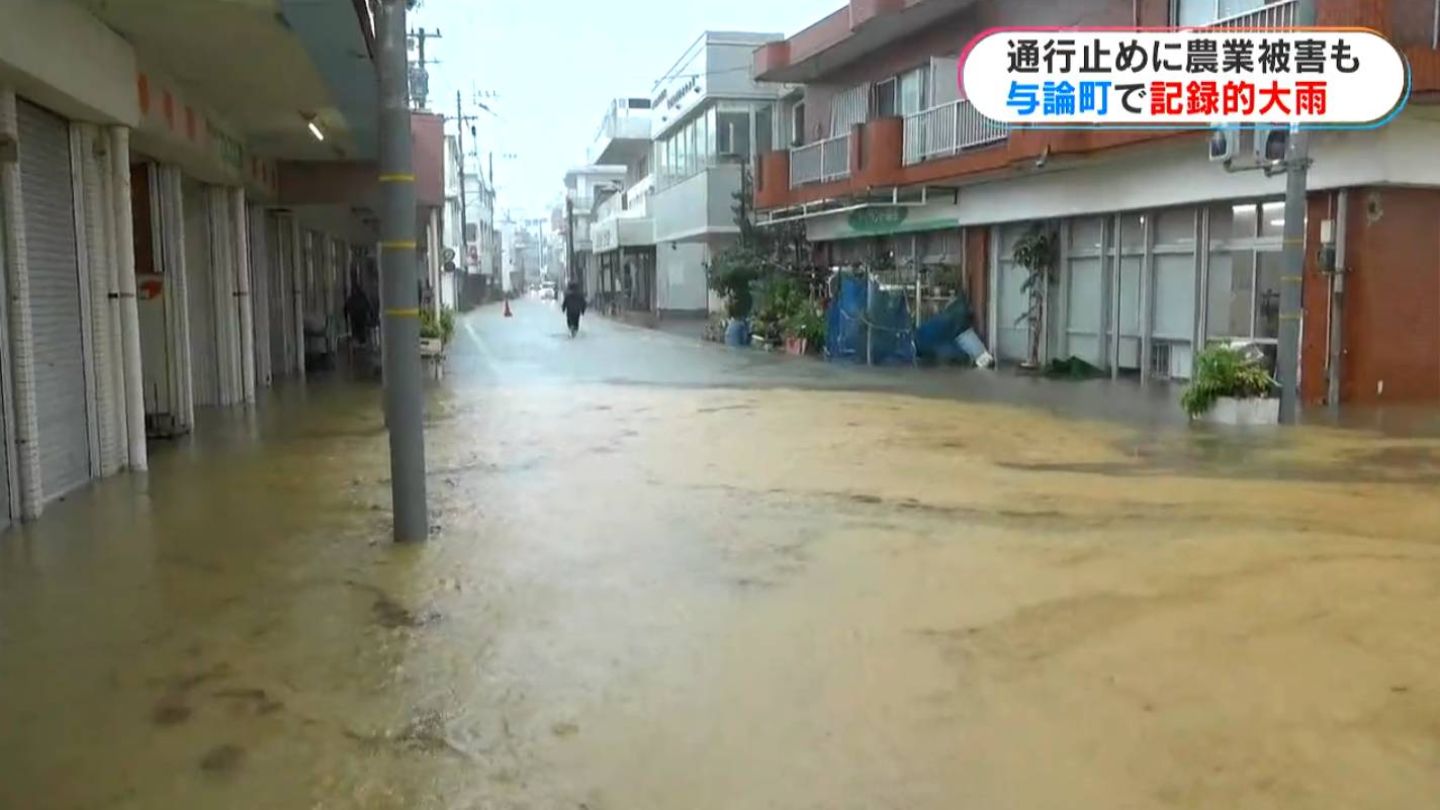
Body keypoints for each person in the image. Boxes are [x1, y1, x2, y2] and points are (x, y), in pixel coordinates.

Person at [345, 281, 373, 347]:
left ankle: (359, 342)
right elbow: (368, 305)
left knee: (358, 329)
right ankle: (360, 342)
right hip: (358, 315)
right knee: (359, 329)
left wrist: (346, 314)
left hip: (357, 316)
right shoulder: (361, 297)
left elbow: (346, 306)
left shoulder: (353, 298)